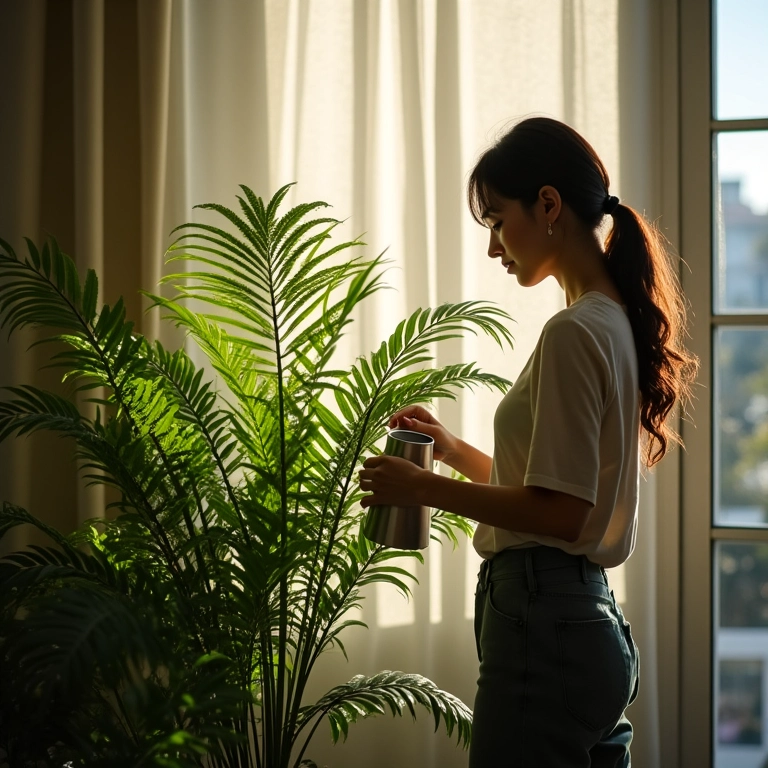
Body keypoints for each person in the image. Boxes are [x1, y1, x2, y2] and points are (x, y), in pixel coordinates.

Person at [357, 116, 698, 767]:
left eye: (495, 221)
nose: (493, 248)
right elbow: (555, 490)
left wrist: (422, 487)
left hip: (545, 626)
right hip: (588, 623)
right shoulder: (612, 322)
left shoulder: (574, 332)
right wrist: (452, 452)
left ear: (547, 205)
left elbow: (560, 514)